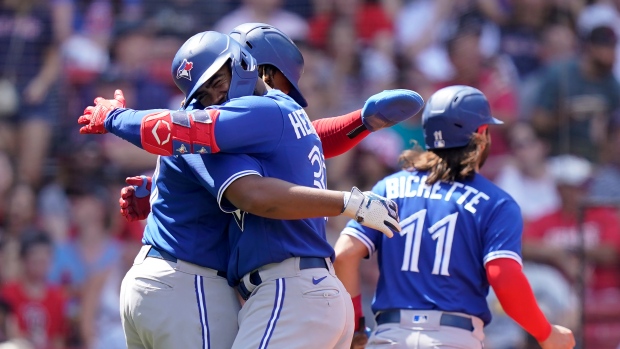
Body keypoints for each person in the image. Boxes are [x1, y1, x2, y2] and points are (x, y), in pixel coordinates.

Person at [78, 29, 422, 349]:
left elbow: (249, 190)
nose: (217, 96)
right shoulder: (267, 115)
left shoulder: (259, 112)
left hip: (284, 292)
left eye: (219, 82)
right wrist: (159, 191)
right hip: (289, 293)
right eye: (208, 88)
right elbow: (293, 141)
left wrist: (115, 117)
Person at [333, 85, 576, 349]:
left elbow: (344, 254)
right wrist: (545, 332)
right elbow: (503, 275)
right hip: (453, 338)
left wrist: (356, 327)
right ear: (481, 134)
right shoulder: (496, 202)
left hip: (389, 337)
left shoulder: (388, 189)